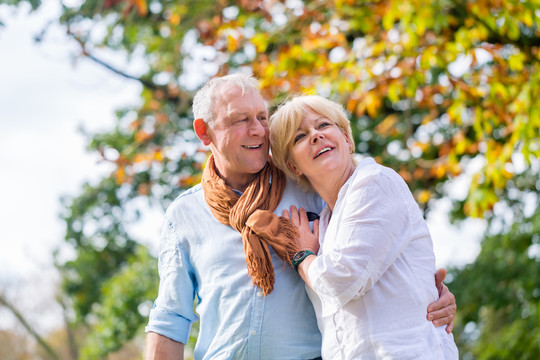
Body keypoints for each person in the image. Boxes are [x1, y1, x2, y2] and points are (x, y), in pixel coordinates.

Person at [144, 74, 456, 360]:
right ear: (204, 131)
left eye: (262, 118)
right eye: (240, 120)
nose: (257, 130)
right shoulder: (184, 214)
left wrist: (432, 294)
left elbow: (381, 239)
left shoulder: (313, 182)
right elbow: (171, 318)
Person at [269, 94, 459, 359]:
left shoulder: (375, 183)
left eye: (323, 125)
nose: (315, 135)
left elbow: (339, 281)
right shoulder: (322, 225)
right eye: (299, 137)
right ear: (292, 166)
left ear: (346, 138)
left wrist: (302, 257)